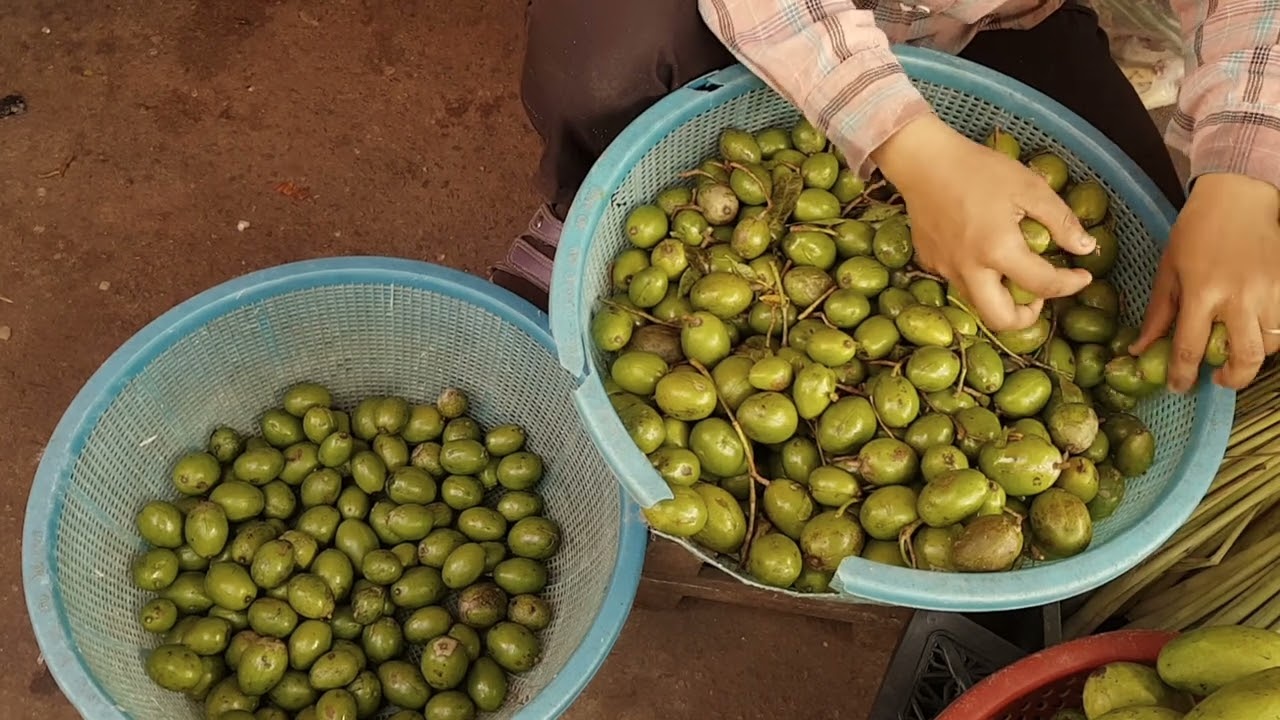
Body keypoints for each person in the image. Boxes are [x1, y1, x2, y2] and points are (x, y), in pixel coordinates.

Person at [489, 0, 1280, 393]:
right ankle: (597, 193)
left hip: (988, 24)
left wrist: (1241, 172)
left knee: (1136, 224)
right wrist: (913, 147)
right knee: (602, 56)